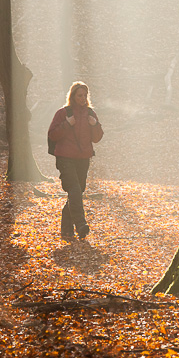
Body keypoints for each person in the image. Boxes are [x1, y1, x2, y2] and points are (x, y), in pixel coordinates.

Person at [48, 81, 104, 241]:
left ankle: (66, 229)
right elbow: (52, 134)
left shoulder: (90, 114)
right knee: (74, 189)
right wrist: (67, 124)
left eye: (85, 95)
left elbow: (97, 138)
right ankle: (80, 224)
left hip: (83, 159)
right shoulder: (63, 113)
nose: (83, 98)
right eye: (80, 95)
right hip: (65, 158)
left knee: (78, 192)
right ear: (73, 96)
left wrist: (95, 125)